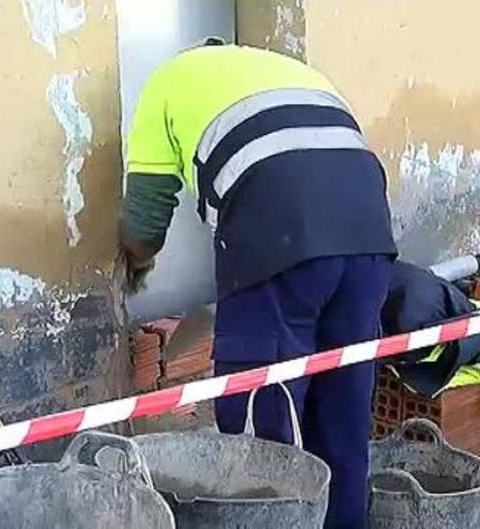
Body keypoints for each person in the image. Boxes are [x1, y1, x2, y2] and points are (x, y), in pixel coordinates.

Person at [118, 39, 396, 528]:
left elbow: (144, 220)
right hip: (369, 234)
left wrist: (135, 267)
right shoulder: (292, 70)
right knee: (344, 408)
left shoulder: (165, 83)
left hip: (278, 233)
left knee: (264, 414)